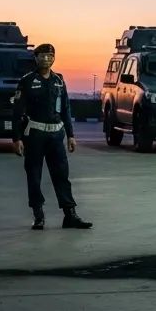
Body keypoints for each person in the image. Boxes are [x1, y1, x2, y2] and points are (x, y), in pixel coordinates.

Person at [12, 43, 92, 231]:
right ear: (36, 57)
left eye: (50, 55)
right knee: (34, 176)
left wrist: (71, 135)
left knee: (62, 175)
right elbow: (17, 112)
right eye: (43, 55)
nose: (47, 59)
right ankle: (38, 215)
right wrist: (16, 139)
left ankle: (70, 215)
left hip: (56, 135)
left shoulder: (58, 80)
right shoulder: (27, 81)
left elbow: (66, 109)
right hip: (35, 134)